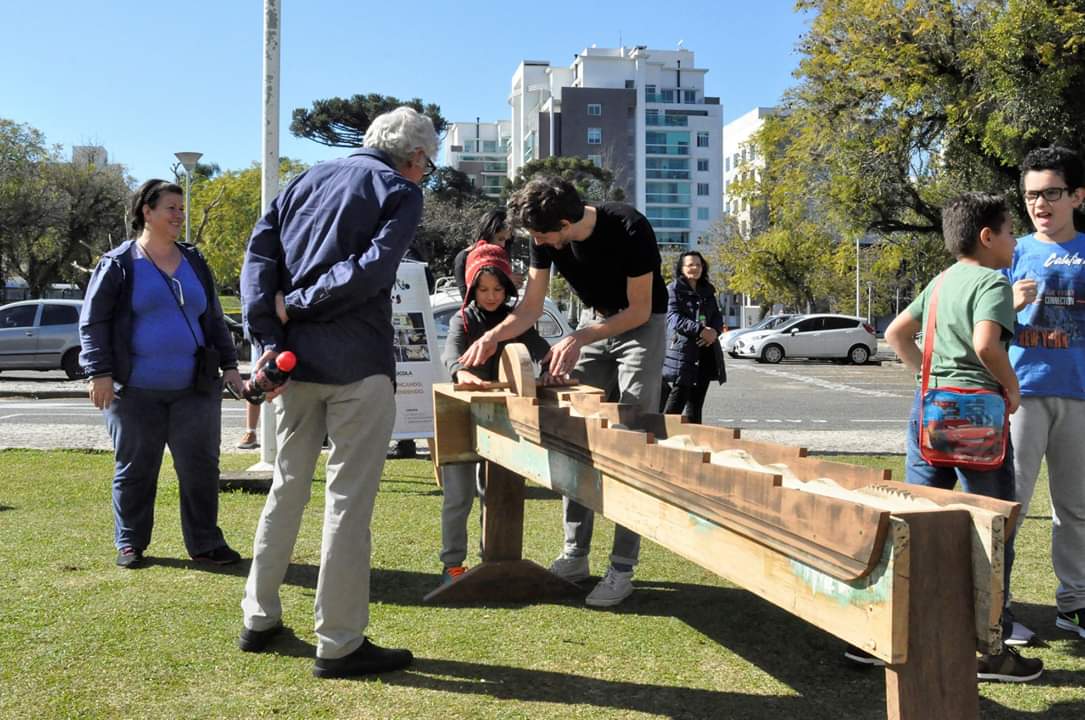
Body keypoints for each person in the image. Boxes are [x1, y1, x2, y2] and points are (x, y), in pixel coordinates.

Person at [237, 106, 439, 678]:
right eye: (428, 161)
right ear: (415, 155)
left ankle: (259, 614)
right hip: (358, 363)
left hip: (295, 364)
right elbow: (375, 271)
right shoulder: (399, 189)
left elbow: (260, 259)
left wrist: (273, 335)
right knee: (347, 503)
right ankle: (340, 639)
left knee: (287, 487)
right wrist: (295, 308)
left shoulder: (303, 179)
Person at [459, 176, 667, 607]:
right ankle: (575, 554)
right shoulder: (545, 234)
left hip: (640, 328)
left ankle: (622, 568)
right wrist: (494, 336)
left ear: (568, 222)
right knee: (576, 434)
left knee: (634, 439)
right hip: (597, 324)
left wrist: (577, 339)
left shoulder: (630, 228)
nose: (539, 243)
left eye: (543, 235)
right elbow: (532, 306)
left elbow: (640, 309)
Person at [882, 191, 1042, 682]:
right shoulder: (994, 282)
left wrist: (923, 380)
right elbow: (985, 344)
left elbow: (895, 333)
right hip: (978, 417)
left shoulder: (941, 280)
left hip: (927, 410)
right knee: (995, 528)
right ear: (987, 237)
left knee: (914, 522)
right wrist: (1011, 389)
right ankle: (991, 648)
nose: (1016, 241)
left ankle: (889, 633)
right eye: (1011, 231)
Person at [79, 179, 244, 569]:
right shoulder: (119, 264)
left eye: (181, 208)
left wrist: (231, 366)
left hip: (195, 390)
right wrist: (98, 372)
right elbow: (93, 322)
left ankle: (205, 542)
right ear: (146, 212)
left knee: (202, 469)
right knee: (136, 469)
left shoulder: (194, 261)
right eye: (171, 207)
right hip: (134, 392)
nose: (179, 215)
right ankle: (130, 543)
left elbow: (214, 319)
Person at [1003, 146, 1085, 644]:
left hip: (1077, 397)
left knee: (1075, 508)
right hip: (1022, 395)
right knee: (1008, 504)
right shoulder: (1011, 253)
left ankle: (1074, 606)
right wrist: (1009, 304)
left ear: (1078, 196)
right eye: (1032, 195)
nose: (1040, 204)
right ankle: (998, 605)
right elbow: (984, 326)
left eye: (1051, 193)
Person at [438, 242, 551, 587]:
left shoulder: (514, 321)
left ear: (508, 289)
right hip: (460, 415)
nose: (490, 296)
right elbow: (451, 355)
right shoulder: (463, 319)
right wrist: (461, 372)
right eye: (484, 289)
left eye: (498, 289)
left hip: (501, 419)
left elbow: (542, 352)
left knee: (497, 493)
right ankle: (453, 564)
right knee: (459, 495)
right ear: (472, 288)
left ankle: (493, 559)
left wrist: (551, 367)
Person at [661, 251, 726, 423]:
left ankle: (692, 442)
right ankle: (663, 438)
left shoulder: (708, 290)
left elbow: (717, 317)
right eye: (690, 265)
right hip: (683, 353)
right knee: (676, 403)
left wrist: (714, 332)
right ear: (681, 268)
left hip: (706, 353)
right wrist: (700, 330)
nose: (695, 268)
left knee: (696, 406)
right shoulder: (673, 289)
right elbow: (673, 317)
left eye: (698, 264)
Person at [453, 209, 513, 299]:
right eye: (500, 239)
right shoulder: (463, 258)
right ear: (488, 234)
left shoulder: (502, 256)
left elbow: (506, 298)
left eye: (506, 240)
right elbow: (467, 298)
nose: (503, 244)